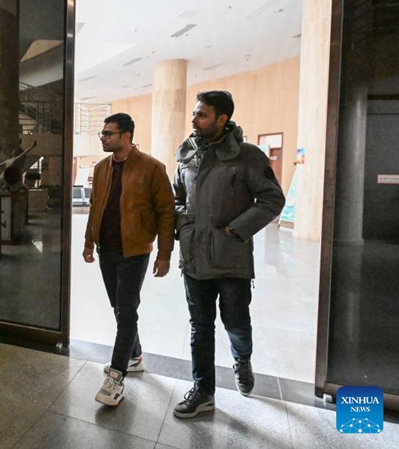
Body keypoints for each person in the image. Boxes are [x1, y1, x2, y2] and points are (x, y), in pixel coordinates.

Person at [172, 91, 285, 418]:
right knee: (200, 326)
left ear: (222, 119)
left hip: (231, 257)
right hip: (193, 258)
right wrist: (184, 225)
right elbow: (176, 196)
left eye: (202, 115)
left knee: (235, 322)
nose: (194, 120)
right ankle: (203, 390)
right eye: (194, 114)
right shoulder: (188, 155)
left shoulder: (248, 156)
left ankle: (242, 359)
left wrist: (236, 230)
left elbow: (271, 200)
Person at [83, 113, 175, 406]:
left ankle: (116, 376)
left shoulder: (152, 168)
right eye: (102, 133)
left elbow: (166, 213)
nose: (103, 137)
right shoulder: (101, 169)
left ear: (126, 136)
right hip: (106, 251)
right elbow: (95, 207)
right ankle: (134, 356)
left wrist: (164, 254)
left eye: (108, 133)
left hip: (135, 251)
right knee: (118, 307)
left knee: (126, 310)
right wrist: (88, 242)